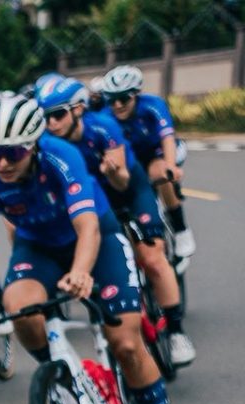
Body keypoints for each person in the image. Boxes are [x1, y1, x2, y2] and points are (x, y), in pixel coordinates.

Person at [0, 96, 191, 404]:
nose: (2, 163)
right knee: (18, 308)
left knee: (125, 342)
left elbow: (88, 228)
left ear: (33, 145)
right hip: (38, 249)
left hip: (97, 238)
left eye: (13, 152)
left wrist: (82, 271)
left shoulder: (61, 157)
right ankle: (62, 385)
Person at [38, 76, 194, 367]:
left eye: (57, 114)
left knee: (152, 258)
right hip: (95, 203)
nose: (51, 123)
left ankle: (176, 332)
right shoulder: (47, 144)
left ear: (78, 109)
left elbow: (122, 182)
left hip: (128, 191)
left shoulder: (103, 126)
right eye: (45, 117)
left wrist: (112, 171)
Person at [99, 64, 194, 258]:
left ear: (136, 94)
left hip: (160, 150)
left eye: (124, 98)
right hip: (134, 157)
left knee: (161, 174)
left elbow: (167, 137)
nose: (118, 105)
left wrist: (171, 166)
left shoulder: (153, 105)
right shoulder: (105, 116)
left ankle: (181, 229)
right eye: (112, 100)